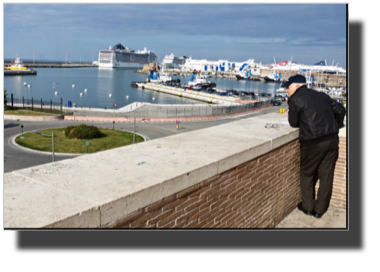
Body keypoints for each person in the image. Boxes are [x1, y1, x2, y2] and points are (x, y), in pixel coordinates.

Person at [282, 75, 346, 218]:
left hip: (313, 142)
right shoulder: (322, 95)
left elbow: (293, 123)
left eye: (288, 86)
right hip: (332, 139)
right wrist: (336, 125)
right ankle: (320, 210)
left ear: (297, 86)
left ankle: (308, 207)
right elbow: (341, 110)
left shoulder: (295, 99)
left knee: (306, 173)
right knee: (326, 176)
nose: (286, 89)